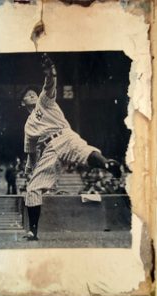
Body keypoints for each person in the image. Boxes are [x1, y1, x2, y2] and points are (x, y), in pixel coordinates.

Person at [22, 53, 121, 241]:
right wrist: (30, 166)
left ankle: (107, 164)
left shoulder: (44, 101)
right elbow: (31, 150)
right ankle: (32, 232)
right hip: (49, 149)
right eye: (27, 95)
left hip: (65, 136)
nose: (32, 94)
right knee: (33, 187)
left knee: (84, 151)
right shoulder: (28, 127)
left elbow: (49, 84)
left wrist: (50, 72)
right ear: (23, 103)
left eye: (33, 92)